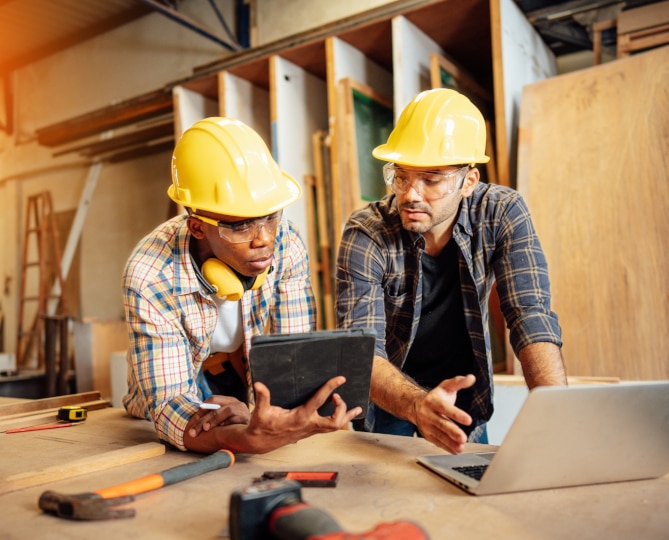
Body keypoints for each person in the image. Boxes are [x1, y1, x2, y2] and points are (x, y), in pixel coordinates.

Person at [335, 88, 566, 454]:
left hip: (464, 395)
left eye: (431, 179)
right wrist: (415, 405)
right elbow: (362, 351)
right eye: (401, 176)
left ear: (468, 182)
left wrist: (558, 414)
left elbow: (530, 315)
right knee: (385, 497)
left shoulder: (502, 213)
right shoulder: (367, 233)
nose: (410, 194)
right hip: (389, 396)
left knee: (466, 495)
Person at [122, 117, 361, 454]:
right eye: (241, 226)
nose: (263, 239)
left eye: (270, 217)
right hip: (184, 378)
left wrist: (262, 414)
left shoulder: (286, 243)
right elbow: (168, 405)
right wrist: (245, 436)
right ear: (197, 227)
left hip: (244, 370)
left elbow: (292, 359)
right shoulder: (150, 275)